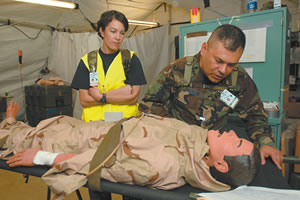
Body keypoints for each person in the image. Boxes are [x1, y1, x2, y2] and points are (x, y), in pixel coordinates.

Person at [0, 101, 260, 199]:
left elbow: (99, 166)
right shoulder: (199, 141)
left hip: (82, 145)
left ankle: (10, 124)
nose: (234, 133)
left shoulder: (164, 166)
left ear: (221, 165)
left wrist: (44, 158)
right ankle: (14, 124)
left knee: (24, 139)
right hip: (97, 129)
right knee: (45, 127)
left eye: (237, 142)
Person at [139, 24, 283, 170]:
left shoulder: (239, 79)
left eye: (231, 65)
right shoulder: (177, 70)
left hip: (216, 158)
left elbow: (255, 115)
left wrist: (266, 143)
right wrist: (178, 131)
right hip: (178, 151)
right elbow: (149, 104)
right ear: (204, 48)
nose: (223, 70)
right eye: (219, 61)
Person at [71, 10, 146, 123]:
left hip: (124, 123)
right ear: (102, 31)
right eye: (113, 31)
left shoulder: (130, 59)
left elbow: (133, 98)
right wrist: (121, 93)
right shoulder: (87, 61)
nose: (118, 37)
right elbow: (85, 100)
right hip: (94, 125)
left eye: (122, 33)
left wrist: (101, 97)